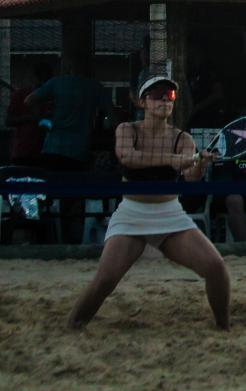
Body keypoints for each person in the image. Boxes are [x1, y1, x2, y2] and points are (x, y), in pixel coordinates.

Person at [67, 76, 230, 330]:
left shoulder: (183, 138)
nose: (164, 99)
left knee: (216, 267)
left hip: (170, 213)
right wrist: (172, 160)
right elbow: (128, 157)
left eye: (170, 96)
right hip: (132, 212)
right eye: (157, 94)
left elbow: (191, 179)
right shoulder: (127, 130)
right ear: (143, 101)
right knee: (105, 280)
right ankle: (73, 326)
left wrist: (199, 164)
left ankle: (223, 328)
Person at [31, 60, 114, 242]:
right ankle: (69, 237)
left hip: (52, 148)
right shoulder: (94, 87)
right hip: (77, 150)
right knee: (73, 198)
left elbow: (29, 100)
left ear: (68, 67)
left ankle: (47, 237)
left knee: (48, 196)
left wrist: (42, 119)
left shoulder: (56, 83)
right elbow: (111, 116)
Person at [5, 61, 54, 167]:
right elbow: (8, 121)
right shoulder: (20, 94)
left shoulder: (52, 97)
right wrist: (31, 118)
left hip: (45, 152)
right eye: (40, 79)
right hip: (23, 151)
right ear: (34, 78)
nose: (42, 84)